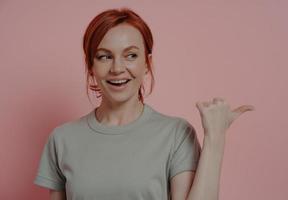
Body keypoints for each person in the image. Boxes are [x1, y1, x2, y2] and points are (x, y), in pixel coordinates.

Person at [34, 7, 255, 200]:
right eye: (104, 56)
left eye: (130, 55)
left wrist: (215, 138)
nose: (117, 68)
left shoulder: (176, 134)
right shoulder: (62, 140)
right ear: (91, 66)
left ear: (147, 64)